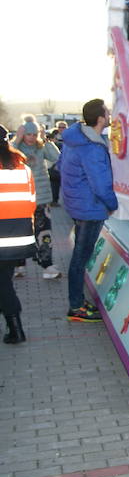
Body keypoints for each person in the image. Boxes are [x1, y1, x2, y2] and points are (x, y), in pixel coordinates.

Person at [59, 99, 118, 322]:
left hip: (78, 204)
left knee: (79, 257)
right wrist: (112, 204)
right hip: (89, 208)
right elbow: (100, 184)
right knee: (80, 258)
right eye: (107, 112)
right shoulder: (91, 148)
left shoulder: (76, 140)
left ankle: (77, 302)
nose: (110, 114)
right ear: (100, 118)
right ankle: (75, 307)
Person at [13, 121, 62, 280]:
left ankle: (47, 265)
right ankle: (19, 264)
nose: (32, 138)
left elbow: (57, 158)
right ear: (22, 134)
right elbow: (6, 155)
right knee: (20, 233)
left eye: (34, 134)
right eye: (28, 134)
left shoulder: (41, 147)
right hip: (21, 199)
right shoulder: (15, 148)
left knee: (44, 234)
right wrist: (17, 138)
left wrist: (46, 140)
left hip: (42, 199)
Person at [0, 125, 34, 344]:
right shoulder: (24, 169)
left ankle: (16, 330)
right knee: (4, 282)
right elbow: (32, 202)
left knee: (3, 286)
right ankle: (14, 328)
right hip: (17, 239)